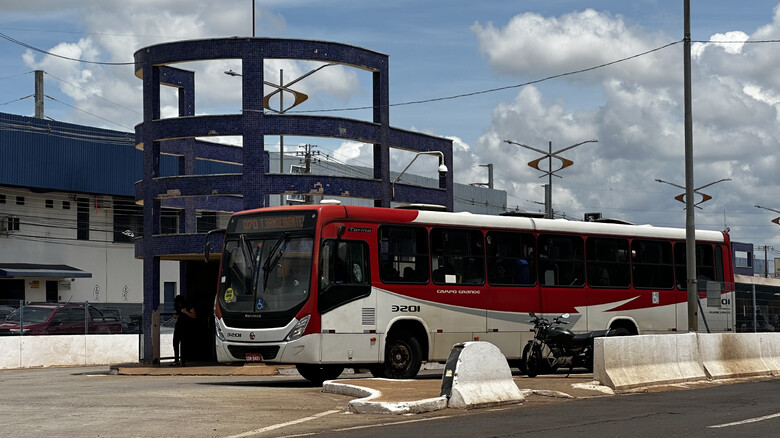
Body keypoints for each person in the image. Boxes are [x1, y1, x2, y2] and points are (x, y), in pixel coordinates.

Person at [171, 295, 196, 366]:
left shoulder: (188, 306)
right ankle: (176, 360)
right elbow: (174, 316)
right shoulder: (177, 307)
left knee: (184, 344)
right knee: (175, 342)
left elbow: (194, 315)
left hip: (186, 326)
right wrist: (175, 314)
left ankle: (183, 360)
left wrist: (186, 312)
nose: (179, 304)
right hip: (178, 326)